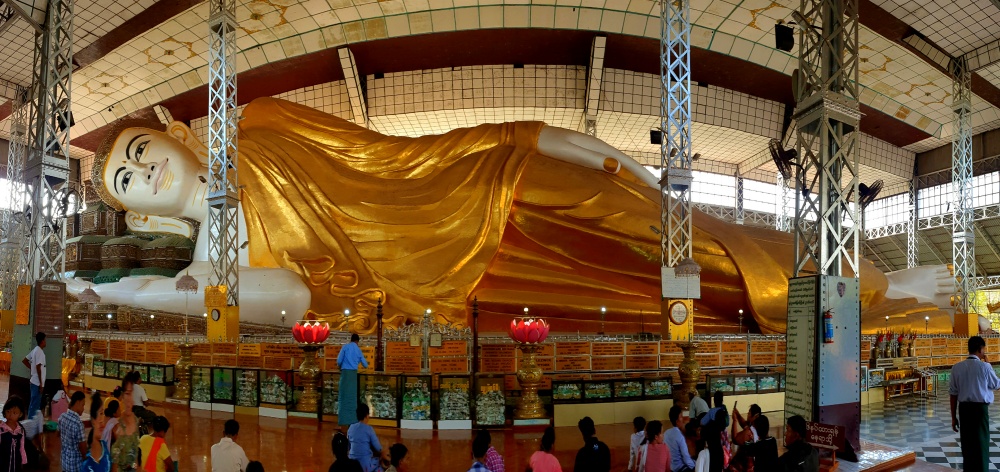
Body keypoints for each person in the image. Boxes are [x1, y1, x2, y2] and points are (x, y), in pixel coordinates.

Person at [76, 98, 954, 337]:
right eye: (123, 180)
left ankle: (866, 276)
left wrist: (535, 136)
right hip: (478, 288)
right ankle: (885, 290)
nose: (139, 168)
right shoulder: (219, 266)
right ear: (133, 206)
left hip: (489, 193)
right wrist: (157, 294)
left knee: (661, 235)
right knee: (688, 292)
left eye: (137, 148)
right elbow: (294, 296)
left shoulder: (261, 122)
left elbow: (396, 159)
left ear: (172, 132)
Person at [949, 335, 1000, 472]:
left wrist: (954, 417)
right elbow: (996, 385)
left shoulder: (956, 368)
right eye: (984, 349)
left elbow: (953, 394)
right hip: (980, 410)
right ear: (980, 349)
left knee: (967, 445)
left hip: (964, 410)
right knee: (981, 444)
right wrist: (988, 363)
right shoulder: (985, 367)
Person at [337, 334, 368, 427]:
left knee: (343, 397)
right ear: (357, 341)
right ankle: (352, 420)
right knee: (352, 397)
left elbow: (338, 360)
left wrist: (340, 366)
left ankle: (342, 421)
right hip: (353, 375)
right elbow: (365, 364)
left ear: (351, 340)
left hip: (345, 374)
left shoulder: (345, 347)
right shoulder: (358, 350)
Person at [112, 376, 142, 472]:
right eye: (128, 394)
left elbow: (136, 455)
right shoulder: (116, 426)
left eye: (133, 394)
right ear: (122, 396)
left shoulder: (136, 421)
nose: (131, 400)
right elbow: (114, 466)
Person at [347, 404, 387, 472]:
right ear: (367, 415)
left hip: (351, 463)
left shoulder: (351, 427)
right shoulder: (369, 429)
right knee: (382, 464)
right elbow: (378, 448)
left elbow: (348, 447)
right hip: (365, 465)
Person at [58, 391, 87, 472]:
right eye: (83, 405)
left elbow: (58, 433)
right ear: (78, 402)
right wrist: (86, 458)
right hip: (76, 466)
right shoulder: (78, 423)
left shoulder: (62, 417)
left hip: (64, 463)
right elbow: (83, 448)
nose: (83, 408)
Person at [82, 392, 111, 472]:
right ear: (93, 420)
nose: (102, 420)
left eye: (103, 414)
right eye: (100, 413)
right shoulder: (87, 465)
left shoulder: (104, 445)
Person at [21, 333, 46, 421]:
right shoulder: (40, 352)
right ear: (42, 341)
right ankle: (31, 424)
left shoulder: (35, 350)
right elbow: (38, 368)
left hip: (34, 381)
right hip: (37, 382)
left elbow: (24, 360)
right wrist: (41, 384)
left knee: (33, 404)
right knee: (35, 404)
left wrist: (32, 369)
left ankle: (31, 422)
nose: (45, 342)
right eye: (45, 340)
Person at [0, 396, 27, 472]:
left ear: (20, 414)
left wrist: (23, 461)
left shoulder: (21, 430)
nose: (11, 415)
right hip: (3, 463)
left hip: (16, 463)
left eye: (14, 413)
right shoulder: (1, 429)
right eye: (8, 411)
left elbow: (22, 447)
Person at [665, 406, 696, 472]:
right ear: (677, 421)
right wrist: (695, 466)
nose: (683, 419)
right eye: (681, 417)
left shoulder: (666, 433)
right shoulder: (679, 436)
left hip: (670, 468)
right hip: (680, 468)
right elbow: (686, 458)